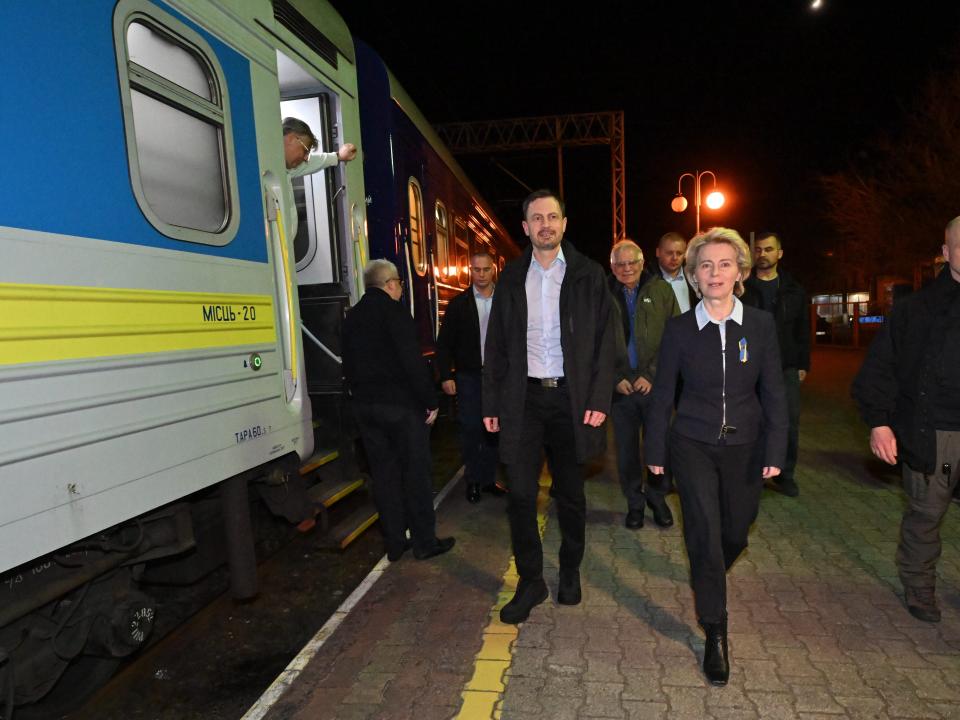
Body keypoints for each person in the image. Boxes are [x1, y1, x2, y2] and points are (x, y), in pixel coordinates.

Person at [646, 227, 787, 685]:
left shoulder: (761, 326)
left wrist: (776, 446)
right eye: (705, 265)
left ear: (740, 272)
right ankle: (716, 631)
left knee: (735, 532)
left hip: (746, 446)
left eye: (725, 264)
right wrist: (654, 449)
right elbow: (663, 391)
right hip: (692, 444)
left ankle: (709, 573)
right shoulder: (680, 329)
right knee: (705, 535)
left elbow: (775, 393)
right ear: (693, 275)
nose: (715, 272)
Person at [482, 189, 615, 624]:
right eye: (536, 218)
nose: (545, 224)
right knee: (520, 492)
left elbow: (604, 343)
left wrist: (597, 398)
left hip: (570, 399)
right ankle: (531, 580)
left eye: (552, 216)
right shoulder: (512, 277)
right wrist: (491, 399)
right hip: (523, 399)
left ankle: (571, 569)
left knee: (571, 494)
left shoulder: (588, 274)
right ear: (525, 227)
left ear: (563, 222)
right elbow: (497, 344)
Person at [852, 217, 960, 623]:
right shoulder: (916, 309)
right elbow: (879, 369)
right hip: (935, 434)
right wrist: (879, 422)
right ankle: (920, 588)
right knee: (926, 516)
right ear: (946, 253)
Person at [341, 259, 455, 562]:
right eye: (400, 284)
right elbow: (411, 363)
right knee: (416, 474)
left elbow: (348, 366)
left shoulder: (351, 318)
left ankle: (394, 542)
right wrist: (430, 402)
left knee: (384, 476)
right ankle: (424, 542)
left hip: (366, 409)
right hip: (401, 409)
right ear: (390, 283)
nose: (401, 289)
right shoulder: (395, 312)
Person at [607, 239, 680, 530]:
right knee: (626, 451)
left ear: (641, 263)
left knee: (659, 446)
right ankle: (634, 503)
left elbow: (675, 338)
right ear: (612, 267)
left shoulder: (661, 290)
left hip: (655, 387)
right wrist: (616, 378)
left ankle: (657, 497)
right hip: (621, 388)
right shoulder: (603, 294)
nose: (626, 269)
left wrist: (650, 375)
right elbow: (596, 341)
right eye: (620, 264)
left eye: (631, 263)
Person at [743, 232, 810, 497]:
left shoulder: (794, 289)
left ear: (779, 253)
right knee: (754, 422)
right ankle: (755, 473)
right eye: (758, 250)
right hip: (752, 369)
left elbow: (803, 329)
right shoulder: (744, 289)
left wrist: (803, 362)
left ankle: (785, 474)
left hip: (785, 367)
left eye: (769, 249)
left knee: (788, 422)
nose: (763, 254)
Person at [436, 251, 504, 503]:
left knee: (495, 429)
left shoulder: (505, 301)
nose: (482, 275)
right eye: (477, 270)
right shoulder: (458, 305)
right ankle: (473, 480)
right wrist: (446, 375)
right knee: (470, 429)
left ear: (494, 269)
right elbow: (444, 345)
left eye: (486, 269)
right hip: (469, 377)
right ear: (470, 271)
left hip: (499, 378)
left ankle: (488, 479)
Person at [282, 117, 357, 238]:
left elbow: (313, 162)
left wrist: (338, 156)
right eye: (306, 150)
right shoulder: (269, 168)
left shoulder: (286, 170)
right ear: (291, 138)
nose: (306, 158)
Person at [656, 232, 697, 313]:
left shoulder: (694, 278)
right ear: (658, 252)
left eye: (679, 253)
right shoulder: (646, 280)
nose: (674, 258)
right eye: (669, 253)